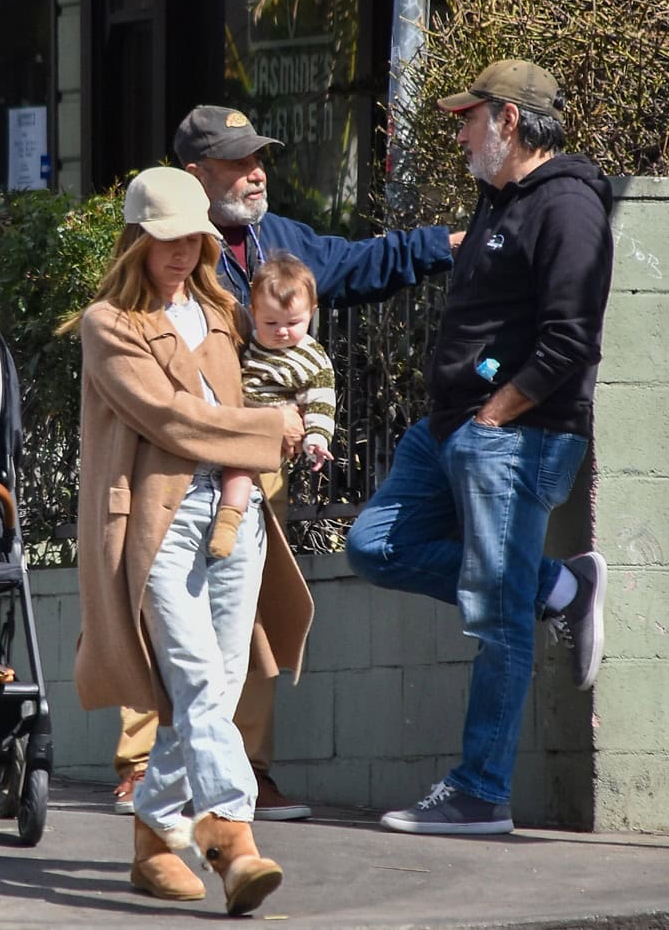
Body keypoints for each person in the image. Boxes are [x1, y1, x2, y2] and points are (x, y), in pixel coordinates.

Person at [110, 105, 463, 821]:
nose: (256, 171)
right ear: (194, 176)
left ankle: (247, 766)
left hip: (253, 463)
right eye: (238, 162)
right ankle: (141, 765)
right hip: (175, 463)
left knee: (248, 620)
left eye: (258, 157)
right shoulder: (165, 262)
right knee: (163, 605)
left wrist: (449, 242)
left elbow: (364, 262)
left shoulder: (284, 242)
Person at [344, 58, 613, 834]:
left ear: (508, 119)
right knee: (374, 545)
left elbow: (571, 340)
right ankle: (559, 587)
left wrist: (495, 415)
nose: (458, 129)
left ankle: (479, 791)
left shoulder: (566, 205)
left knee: (497, 616)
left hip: (514, 437)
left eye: (469, 116)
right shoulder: (497, 197)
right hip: (451, 434)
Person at [66, 166, 314, 914]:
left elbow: (258, 382)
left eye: (195, 239)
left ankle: (150, 838)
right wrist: (272, 429)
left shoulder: (221, 310)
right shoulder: (108, 325)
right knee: (201, 681)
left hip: (233, 511)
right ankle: (232, 841)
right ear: (137, 239)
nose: (182, 253)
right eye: (167, 240)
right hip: (157, 520)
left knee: (210, 689)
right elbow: (170, 418)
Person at [210, 253, 335, 559]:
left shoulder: (312, 359)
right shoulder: (247, 342)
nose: (282, 331)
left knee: (265, 495)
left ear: (312, 313)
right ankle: (229, 524)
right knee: (238, 470)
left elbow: (321, 403)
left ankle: (238, 531)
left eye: (294, 322)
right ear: (253, 312)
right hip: (241, 424)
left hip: (273, 442)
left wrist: (316, 439)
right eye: (271, 322)